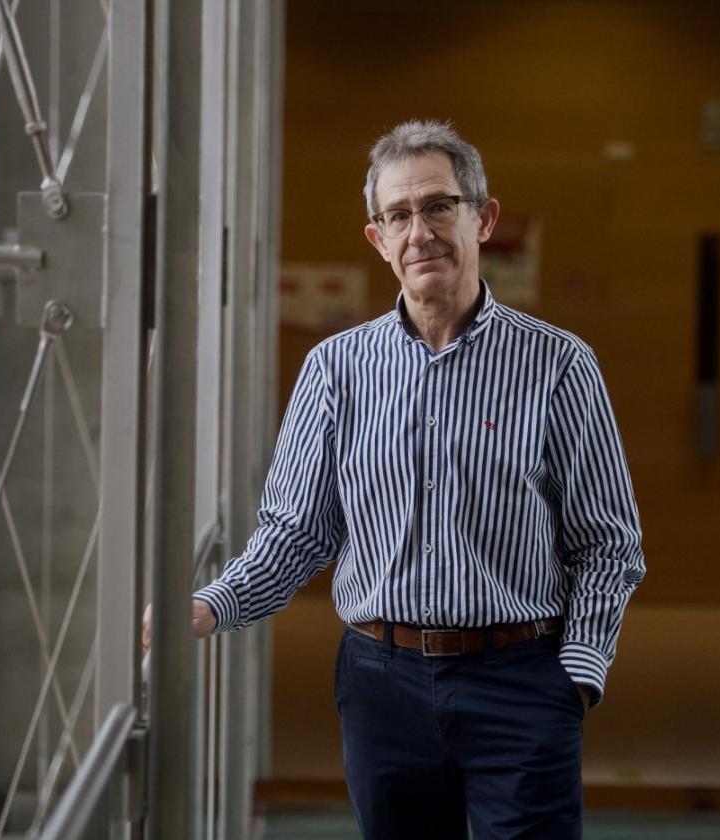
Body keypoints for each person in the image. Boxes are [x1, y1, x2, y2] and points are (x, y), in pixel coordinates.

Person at [176, 120, 644, 838]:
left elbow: (609, 543)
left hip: (521, 681)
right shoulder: (336, 370)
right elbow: (297, 532)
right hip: (379, 684)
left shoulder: (559, 366)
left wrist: (576, 673)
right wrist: (213, 604)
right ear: (378, 239)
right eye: (398, 215)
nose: (418, 230)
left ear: (481, 219)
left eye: (437, 206)